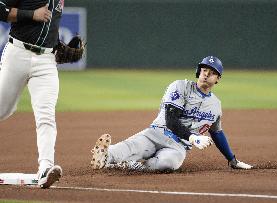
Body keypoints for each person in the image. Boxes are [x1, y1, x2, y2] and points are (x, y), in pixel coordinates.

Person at [91, 56, 253, 172]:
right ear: (198, 71)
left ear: (218, 79)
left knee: (168, 163)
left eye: (211, 72)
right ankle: (106, 155)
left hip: (179, 146)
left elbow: (217, 133)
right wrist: (193, 137)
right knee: (133, 147)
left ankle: (132, 166)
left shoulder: (215, 105)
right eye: (204, 70)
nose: (206, 74)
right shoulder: (180, 87)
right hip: (157, 133)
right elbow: (171, 120)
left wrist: (232, 160)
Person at [0, 0, 64, 188]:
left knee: (46, 115)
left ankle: (45, 168)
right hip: (17, 53)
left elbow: (50, 24)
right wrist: (31, 14)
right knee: (3, 110)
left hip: (46, 61)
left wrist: (57, 44)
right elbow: (1, 10)